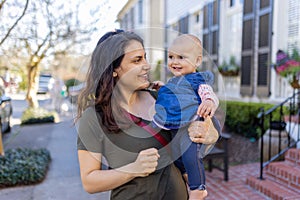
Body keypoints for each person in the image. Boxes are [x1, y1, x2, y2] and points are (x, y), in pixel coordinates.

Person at [76, 30, 221, 200]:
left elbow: (201, 124)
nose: (147, 65)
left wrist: (210, 133)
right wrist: (132, 169)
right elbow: (89, 182)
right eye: (137, 60)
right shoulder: (94, 117)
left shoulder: (162, 99)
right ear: (113, 69)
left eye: (145, 57)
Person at [151, 34, 218, 199]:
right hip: (176, 126)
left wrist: (209, 102)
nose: (174, 61)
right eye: (171, 57)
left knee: (190, 156)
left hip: (192, 123)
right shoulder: (173, 82)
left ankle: (198, 188)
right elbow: (173, 96)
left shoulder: (197, 80)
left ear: (197, 61)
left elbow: (207, 93)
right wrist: (163, 88)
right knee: (177, 156)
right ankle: (188, 177)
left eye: (181, 57)